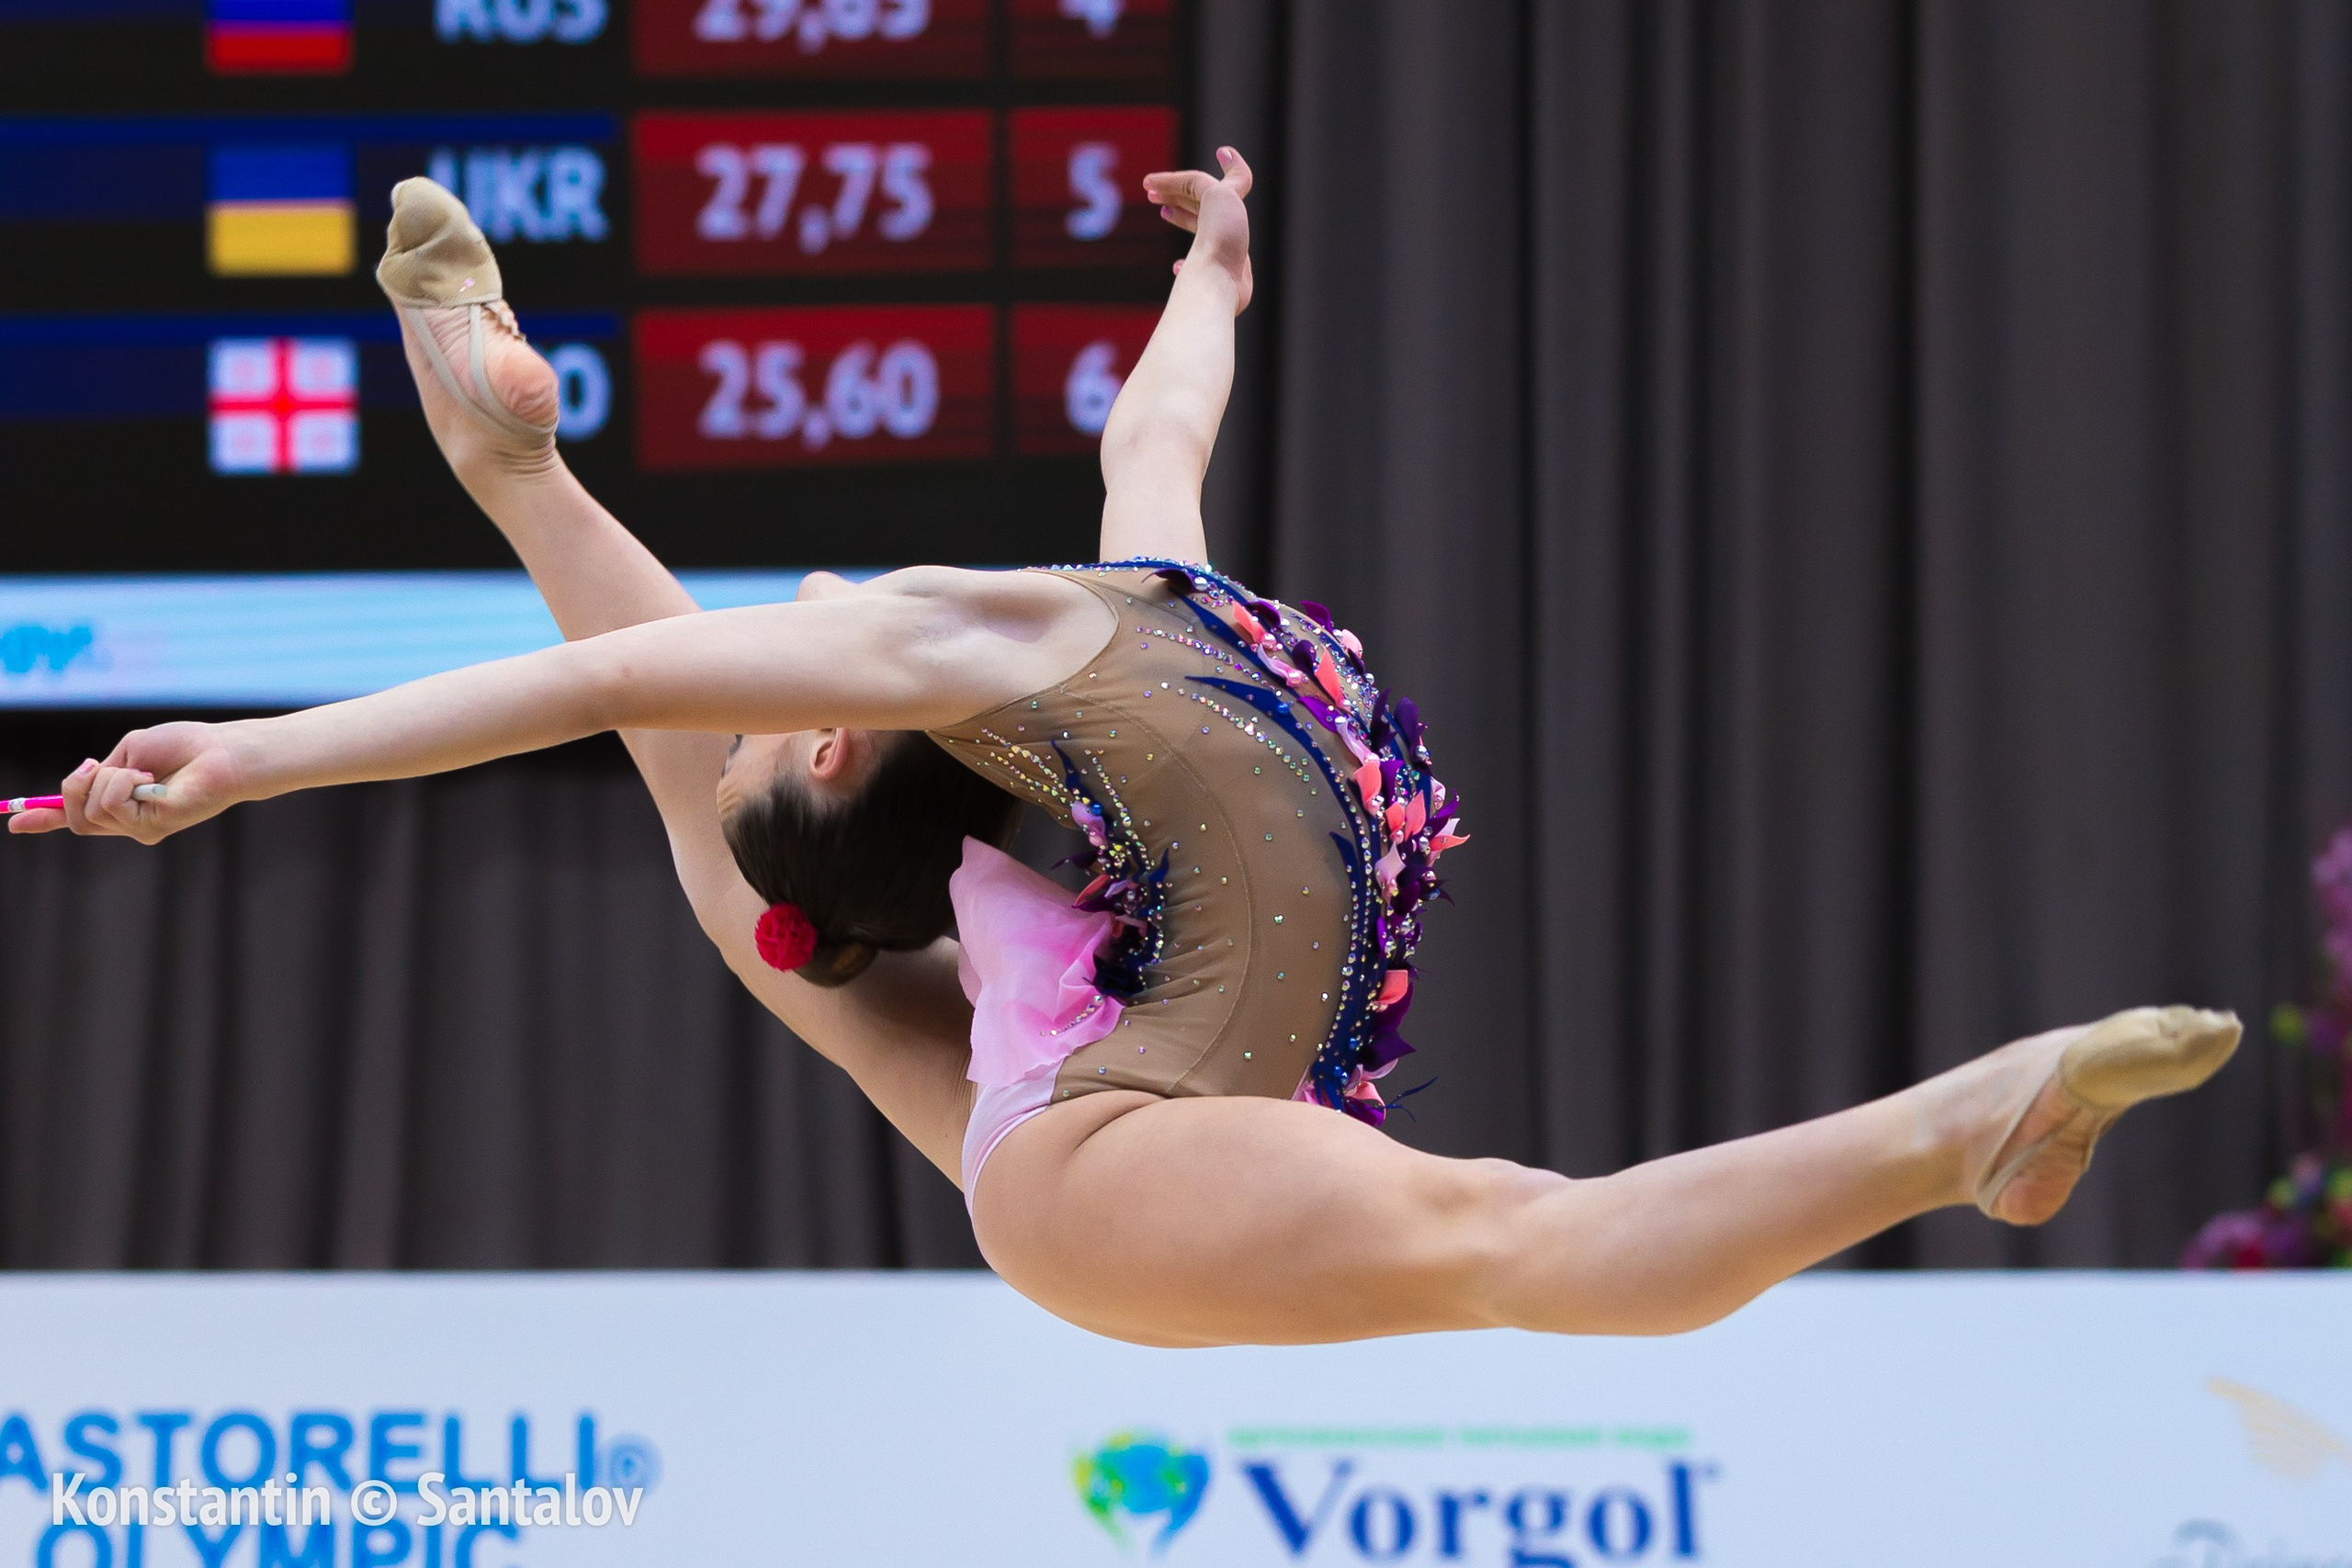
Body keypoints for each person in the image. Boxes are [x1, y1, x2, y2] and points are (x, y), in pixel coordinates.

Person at [17, 151, 2242, 1348]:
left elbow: (1149, 424)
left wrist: (1213, 281)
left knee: (727, 858)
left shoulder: (1091, 636)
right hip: (1113, 1136)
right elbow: (627, 690)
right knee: (1497, 1233)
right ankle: (1960, 1123)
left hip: (1101, 1121)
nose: (778, 647)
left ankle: (511, 465)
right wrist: (256, 757)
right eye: (793, 703)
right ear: (872, 740)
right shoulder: (1002, 643)